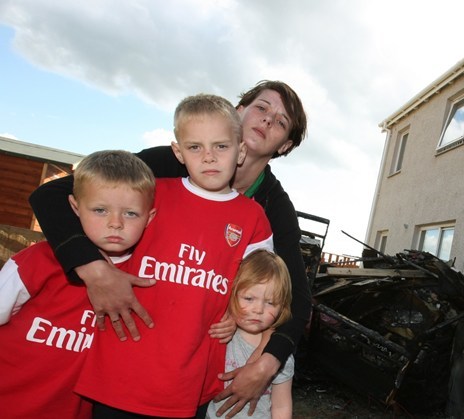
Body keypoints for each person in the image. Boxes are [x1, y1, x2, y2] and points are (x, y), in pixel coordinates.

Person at [29, 80, 311, 418]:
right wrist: (96, 271)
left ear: (285, 146)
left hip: (193, 368)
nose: (267, 120)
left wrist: (268, 363)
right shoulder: (164, 170)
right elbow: (56, 195)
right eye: (262, 108)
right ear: (238, 112)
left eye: (280, 122)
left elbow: (295, 296)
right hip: (125, 347)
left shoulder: (271, 210)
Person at [75, 93, 274, 418]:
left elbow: (262, 287)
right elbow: (98, 228)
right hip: (120, 374)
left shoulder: (254, 219)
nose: (208, 157)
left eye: (220, 146)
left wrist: (236, 315)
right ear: (178, 152)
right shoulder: (150, 194)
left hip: (189, 385)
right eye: (195, 147)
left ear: (240, 152)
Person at [0, 150, 157, 419]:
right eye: (100, 210)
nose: (115, 223)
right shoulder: (39, 259)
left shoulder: (147, 277)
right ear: (75, 207)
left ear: (149, 218)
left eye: (130, 213)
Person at [207, 250, 293, 419]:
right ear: (232, 293)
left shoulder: (282, 356)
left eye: (270, 303)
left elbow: (281, 406)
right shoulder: (219, 334)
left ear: (282, 306)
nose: (258, 309)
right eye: (249, 298)